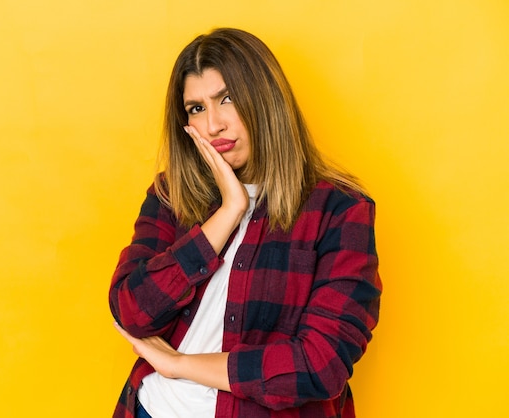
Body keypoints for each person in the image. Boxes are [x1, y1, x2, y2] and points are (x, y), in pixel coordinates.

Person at [109, 27, 381, 418]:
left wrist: (181, 365)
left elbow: (319, 365)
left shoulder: (340, 211)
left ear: (265, 101)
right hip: (153, 408)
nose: (214, 124)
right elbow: (131, 309)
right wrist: (228, 211)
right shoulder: (172, 194)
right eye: (196, 108)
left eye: (227, 99)